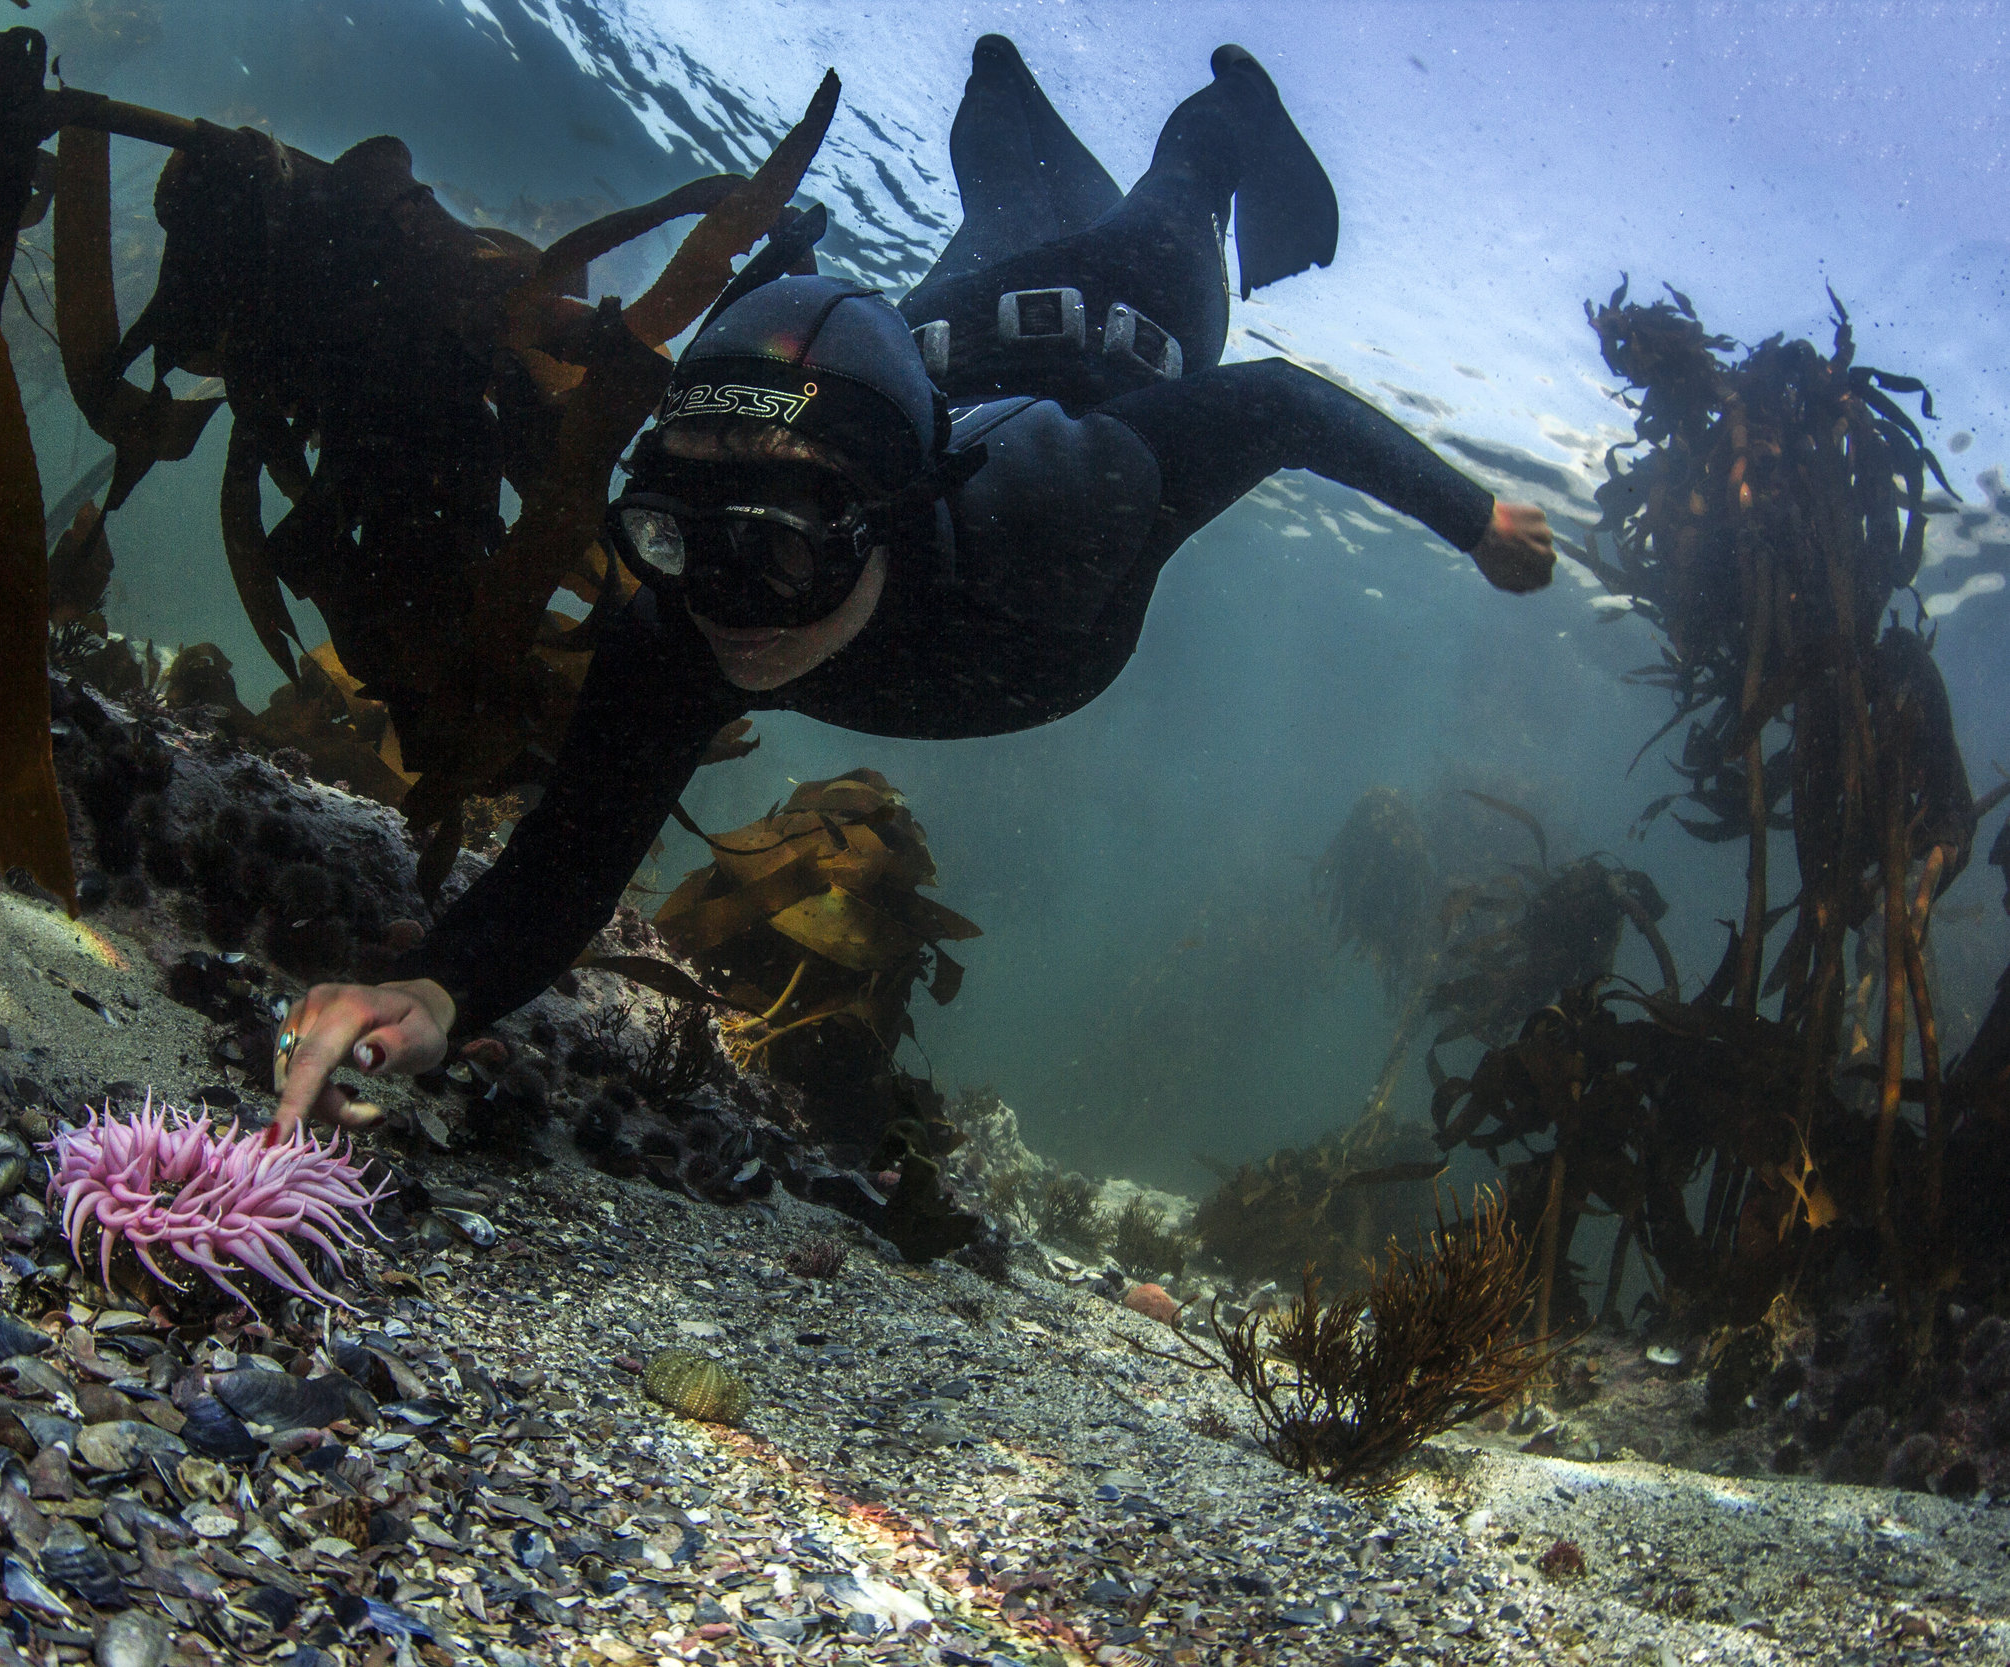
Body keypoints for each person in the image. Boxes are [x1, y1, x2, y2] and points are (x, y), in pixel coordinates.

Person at [272, 35, 1555, 1132]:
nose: (727, 601)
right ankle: (996, 80)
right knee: (996, 173)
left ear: (888, 518)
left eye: (774, 551)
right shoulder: (682, 621)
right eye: (676, 535)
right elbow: (572, 852)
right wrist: (434, 991)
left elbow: (1273, 403)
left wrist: (1472, 517)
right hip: (950, 325)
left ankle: (1227, 107)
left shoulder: (1060, 507)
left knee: (1168, 200)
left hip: (1129, 317)